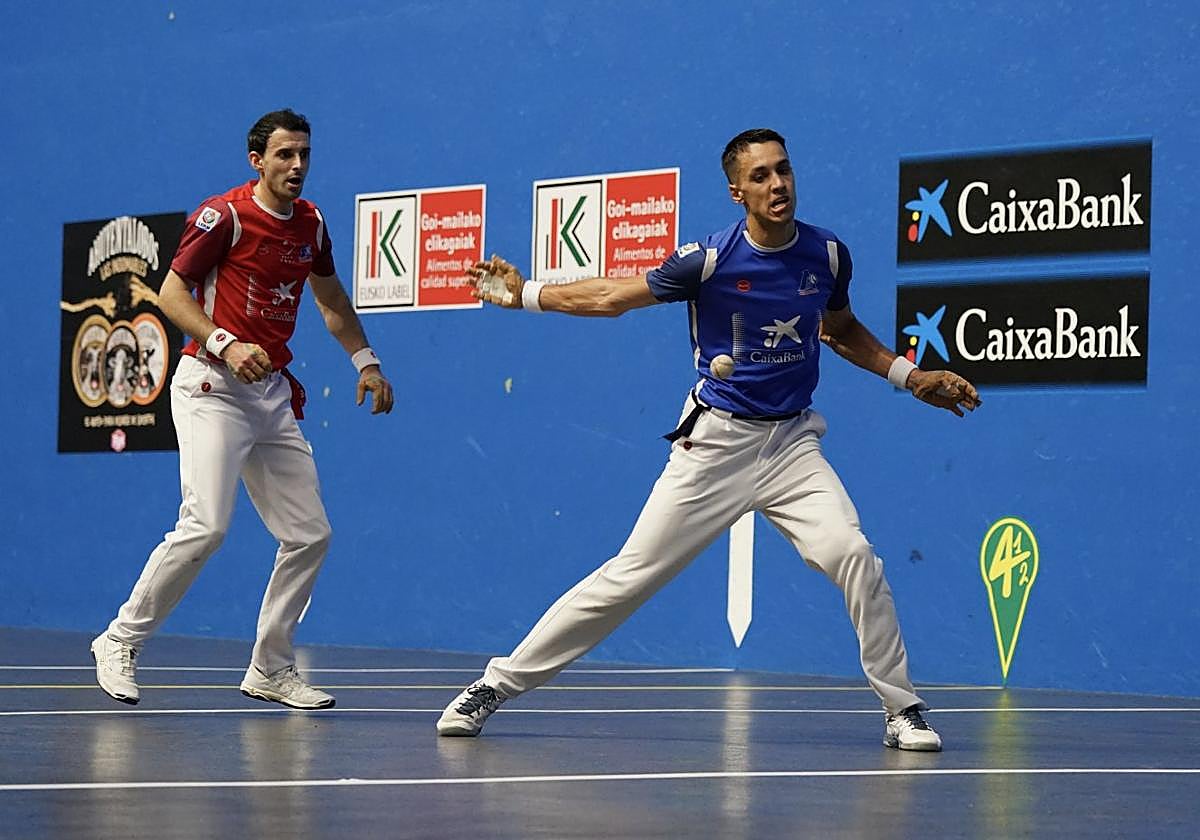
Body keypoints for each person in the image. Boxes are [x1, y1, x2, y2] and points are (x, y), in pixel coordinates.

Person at [437, 128, 980, 750]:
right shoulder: (710, 260)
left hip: (791, 446)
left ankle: (902, 708)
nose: (777, 184)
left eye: (783, 170)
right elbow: (612, 297)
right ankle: (494, 686)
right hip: (715, 446)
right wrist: (526, 294)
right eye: (760, 176)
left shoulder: (827, 255)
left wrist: (910, 377)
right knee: (629, 577)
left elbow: (841, 329)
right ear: (736, 192)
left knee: (854, 555)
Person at [91, 109, 394, 709]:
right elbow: (170, 293)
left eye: (305, 154)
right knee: (206, 524)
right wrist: (226, 344)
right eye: (285, 155)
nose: (297, 166)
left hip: (270, 393)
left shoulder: (311, 224)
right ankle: (120, 639)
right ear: (257, 160)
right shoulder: (223, 216)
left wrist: (366, 361)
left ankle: (270, 667)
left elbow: (331, 299)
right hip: (211, 387)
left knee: (309, 535)